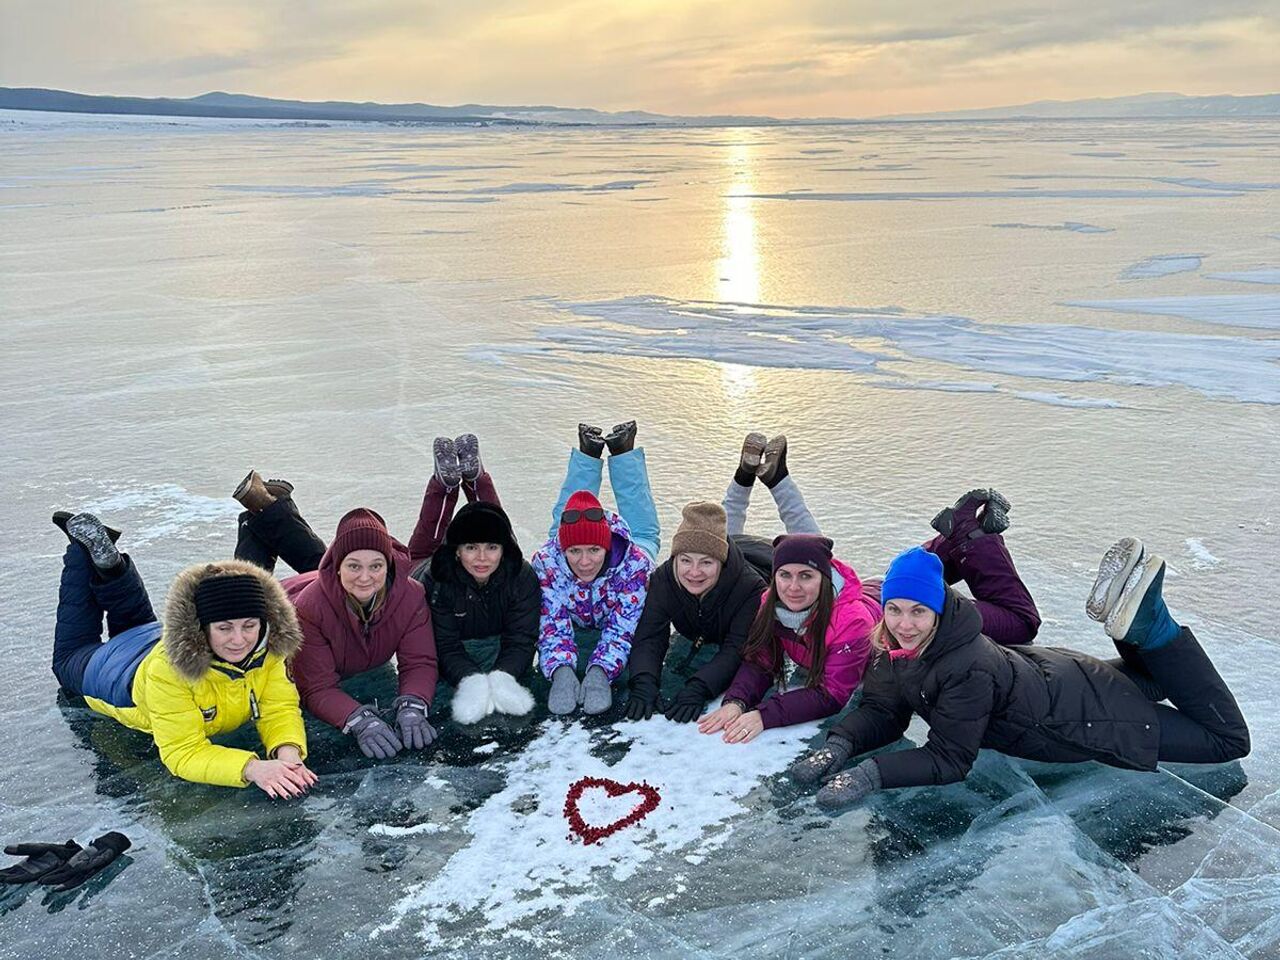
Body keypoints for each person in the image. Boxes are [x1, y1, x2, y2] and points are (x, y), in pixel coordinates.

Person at [791, 539, 1251, 809]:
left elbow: (950, 759)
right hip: (1063, 675)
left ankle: (1152, 628)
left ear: (939, 610)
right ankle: (1132, 626)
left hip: (1079, 715)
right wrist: (841, 744)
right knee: (1151, 680)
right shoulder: (891, 645)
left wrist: (870, 775)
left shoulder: (964, 666)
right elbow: (882, 709)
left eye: (917, 611)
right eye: (893, 609)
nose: (903, 623)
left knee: (1227, 739)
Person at [49, 512, 315, 796]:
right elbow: (182, 752)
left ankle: (112, 565)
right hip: (109, 669)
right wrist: (252, 768)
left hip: (151, 636)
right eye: (225, 628)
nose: (240, 640)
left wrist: (289, 753)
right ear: (201, 628)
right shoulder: (170, 671)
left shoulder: (268, 649)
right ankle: (80, 550)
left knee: (137, 621)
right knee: (69, 653)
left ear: (263, 624)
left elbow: (279, 708)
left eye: (249, 625)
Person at [231, 473, 438, 760]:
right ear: (337, 567)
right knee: (243, 593)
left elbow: (420, 661)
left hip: (327, 584)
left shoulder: (409, 595)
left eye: (377, 565)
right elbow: (315, 686)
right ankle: (255, 522)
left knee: (332, 567)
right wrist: (357, 718)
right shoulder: (310, 607)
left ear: (389, 565)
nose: (366, 577)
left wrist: (414, 703)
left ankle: (266, 508)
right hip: (285, 603)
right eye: (352, 566)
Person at [696, 434, 882, 741]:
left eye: (806, 577)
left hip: (882, 597)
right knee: (805, 541)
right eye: (785, 576)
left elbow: (832, 694)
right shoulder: (771, 600)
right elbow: (761, 660)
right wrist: (736, 701)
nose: (793, 587)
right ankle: (777, 478)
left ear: (823, 578)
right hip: (844, 590)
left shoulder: (852, 622)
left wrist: (764, 714)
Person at [409, 435, 540, 724]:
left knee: (492, 522)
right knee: (431, 530)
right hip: (421, 565)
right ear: (457, 551)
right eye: (471, 548)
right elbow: (444, 645)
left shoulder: (521, 575)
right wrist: (472, 681)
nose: (482, 557)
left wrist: (503, 677)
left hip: (497, 567)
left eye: (492, 548)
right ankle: (443, 485)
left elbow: (522, 638)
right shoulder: (435, 581)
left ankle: (475, 476)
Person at [531, 421, 658, 716]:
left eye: (594, 551)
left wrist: (601, 671)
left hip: (628, 556)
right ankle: (588, 453)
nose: (585, 562)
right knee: (566, 516)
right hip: (561, 550)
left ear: (606, 548)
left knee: (643, 529)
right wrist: (561, 671)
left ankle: (623, 451)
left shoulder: (635, 565)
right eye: (574, 551)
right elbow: (551, 621)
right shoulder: (547, 563)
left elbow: (623, 626)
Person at [923, 488, 1040, 646]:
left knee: (1020, 621)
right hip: (894, 601)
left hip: (892, 604)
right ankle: (969, 533)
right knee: (1023, 622)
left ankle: (966, 531)